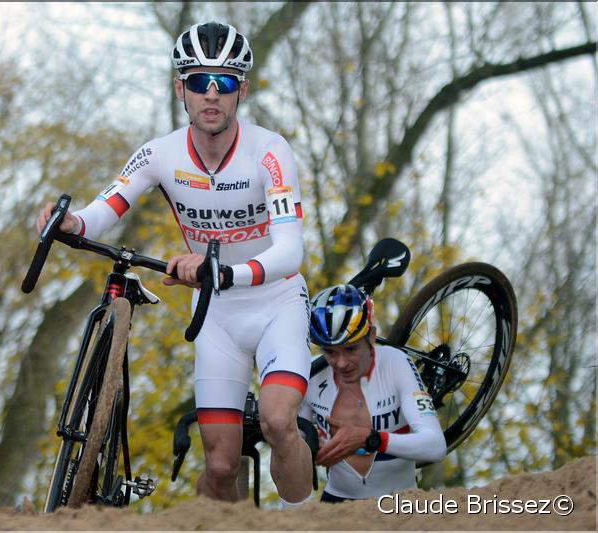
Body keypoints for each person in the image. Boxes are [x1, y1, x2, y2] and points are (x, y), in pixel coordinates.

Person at [36, 22, 313, 508]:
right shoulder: (159, 154)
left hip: (276, 303)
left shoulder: (270, 151)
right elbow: (107, 207)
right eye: (197, 80)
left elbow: (290, 250)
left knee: (277, 421)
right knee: (221, 466)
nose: (211, 93)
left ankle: (307, 520)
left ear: (241, 90)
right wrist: (72, 223)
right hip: (217, 317)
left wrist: (224, 272)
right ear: (178, 88)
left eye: (224, 82)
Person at [299, 284, 447, 502]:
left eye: (351, 349)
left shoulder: (395, 362)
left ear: (372, 336)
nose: (341, 363)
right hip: (337, 501)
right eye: (329, 352)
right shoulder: (310, 373)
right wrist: (309, 447)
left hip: (400, 501)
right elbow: (291, 443)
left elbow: (436, 446)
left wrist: (372, 439)